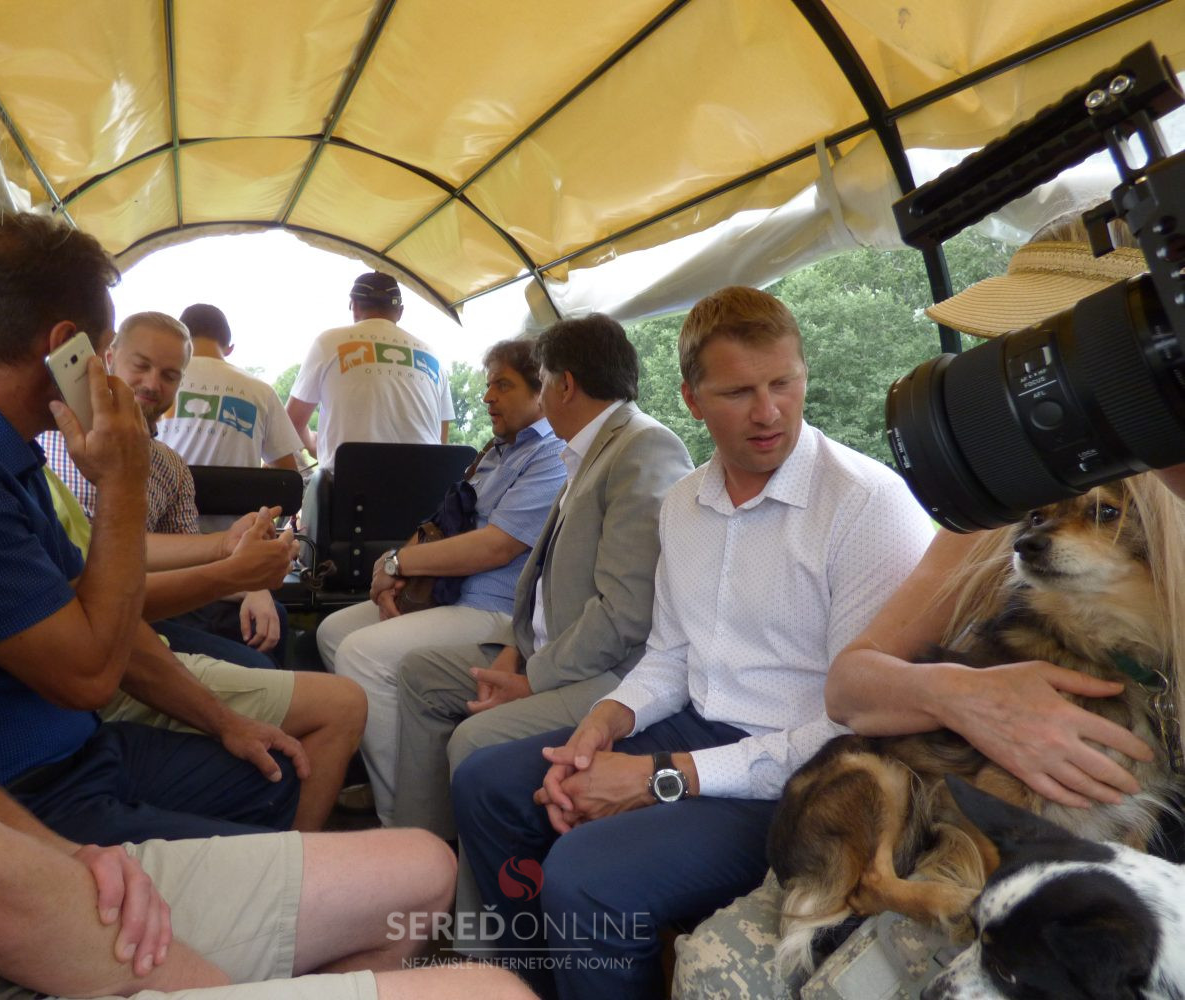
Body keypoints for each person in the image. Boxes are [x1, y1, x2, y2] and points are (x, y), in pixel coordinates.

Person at [0, 30, 535, 1000]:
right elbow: (92, 667)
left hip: (57, 777)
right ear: (73, 352)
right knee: (467, 959)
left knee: (315, 772)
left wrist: (217, 709)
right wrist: (142, 494)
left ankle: (291, 901)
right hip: (48, 788)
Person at [673, 217, 1185, 1000]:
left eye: (1039, 357)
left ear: (1142, 352)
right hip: (963, 821)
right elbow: (850, 686)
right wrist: (968, 696)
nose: (1018, 388)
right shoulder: (1008, 497)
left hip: (1102, 868)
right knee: (715, 967)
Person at [451, 287, 935, 999]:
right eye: (738, 392)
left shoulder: (866, 504)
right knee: (487, 784)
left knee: (586, 876)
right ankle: (532, 987)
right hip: (699, 727)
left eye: (783, 383)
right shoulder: (685, 501)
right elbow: (672, 655)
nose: (768, 412)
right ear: (692, 400)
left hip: (808, 778)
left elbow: (856, 729)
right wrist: (605, 722)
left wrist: (657, 777)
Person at [0, 210, 330, 842]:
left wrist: (226, 722)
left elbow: (99, 616)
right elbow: (90, 675)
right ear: (65, 349)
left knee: (276, 777)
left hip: (81, 751)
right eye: (103, 356)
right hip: (27, 794)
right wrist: (124, 482)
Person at [315, 336, 566, 826]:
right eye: (489, 384)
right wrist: (393, 568)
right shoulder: (495, 453)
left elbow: (496, 546)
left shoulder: (550, 456)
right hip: (450, 595)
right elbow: (444, 522)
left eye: (503, 385)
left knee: (362, 655)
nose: (488, 396)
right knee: (332, 632)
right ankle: (395, 775)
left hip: (494, 609)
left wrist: (398, 565)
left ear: (541, 391)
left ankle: (406, 819)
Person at [42, 310, 294, 666]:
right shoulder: (50, 440)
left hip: (149, 609)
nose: (152, 383)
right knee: (259, 664)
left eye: (169, 375)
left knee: (271, 624)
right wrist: (226, 551)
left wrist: (252, 584)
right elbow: (89, 546)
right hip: (69, 611)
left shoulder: (171, 467)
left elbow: (188, 559)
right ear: (110, 358)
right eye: (141, 366)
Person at [286, 272, 455, 472]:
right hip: (425, 485)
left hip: (352, 484)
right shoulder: (433, 357)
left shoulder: (328, 343)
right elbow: (441, 441)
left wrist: (313, 444)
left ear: (355, 306)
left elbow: (290, 425)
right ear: (400, 311)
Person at [157, 302, 302, 473]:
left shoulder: (156, 381)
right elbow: (288, 474)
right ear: (230, 349)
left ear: (180, 341)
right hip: (239, 492)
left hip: (164, 490)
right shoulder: (262, 391)